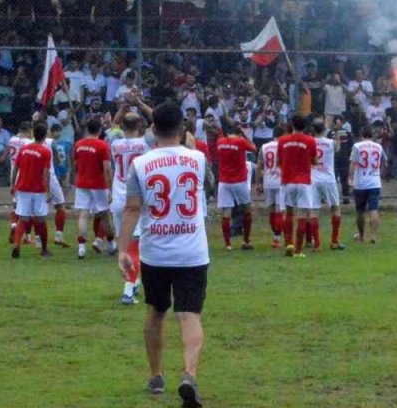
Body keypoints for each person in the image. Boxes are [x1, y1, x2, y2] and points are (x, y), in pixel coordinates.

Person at [116, 103, 208, 407]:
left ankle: (156, 375)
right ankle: (189, 372)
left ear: (152, 129)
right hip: (191, 251)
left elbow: (132, 208)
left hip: (156, 250)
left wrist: (123, 249)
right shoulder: (197, 158)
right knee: (189, 314)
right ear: (182, 128)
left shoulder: (141, 164)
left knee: (156, 311)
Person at [110, 112, 149, 304]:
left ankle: (135, 281)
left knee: (125, 243)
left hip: (118, 197)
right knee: (134, 245)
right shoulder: (145, 144)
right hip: (136, 198)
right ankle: (128, 291)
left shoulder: (115, 144)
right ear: (140, 125)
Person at [275, 115, 317, 258]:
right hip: (304, 181)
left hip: (287, 180)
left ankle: (289, 244)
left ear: (292, 124)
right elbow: (315, 160)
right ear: (305, 126)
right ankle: (298, 250)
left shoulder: (282, 140)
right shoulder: (311, 140)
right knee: (303, 215)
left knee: (288, 212)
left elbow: (278, 160)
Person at [10, 122, 53, 259]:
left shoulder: (24, 149)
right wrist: (48, 191)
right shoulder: (45, 151)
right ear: (45, 136)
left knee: (22, 218)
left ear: (33, 134)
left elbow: (16, 168)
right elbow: (46, 173)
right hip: (38, 189)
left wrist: (12, 184)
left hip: (22, 187)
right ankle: (44, 250)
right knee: (40, 219)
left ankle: (16, 244)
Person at [72, 118, 113, 259]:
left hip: (82, 183)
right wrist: (110, 187)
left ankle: (81, 248)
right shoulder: (102, 145)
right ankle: (111, 244)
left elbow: (74, 164)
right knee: (105, 214)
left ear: (87, 129)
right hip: (99, 184)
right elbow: (107, 168)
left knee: (83, 214)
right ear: (100, 130)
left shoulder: (78, 144)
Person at [214, 122, 256, 251]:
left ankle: (227, 244)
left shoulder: (220, 142)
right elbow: (254, 148)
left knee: (226, 212)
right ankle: (246, 240)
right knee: (247, 209)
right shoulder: (240, 142)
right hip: (240, 180)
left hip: (224, 181)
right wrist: (245, 137)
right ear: (239, 133)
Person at [311, 118, 345, 251]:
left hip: (314, 179)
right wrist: (336, 131)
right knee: (335, 208)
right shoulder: (330, 142)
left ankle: (317, 244)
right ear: (325, 130)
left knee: (314, 211)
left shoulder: (310, 142)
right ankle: (334, 241)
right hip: (329, 179)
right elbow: (338, 147)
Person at [348, 126, 386, 244]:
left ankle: (361, 235)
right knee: (373, 209)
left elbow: (353, 163)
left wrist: (350, 178)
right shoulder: (379, 147)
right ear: (372, 135)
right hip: (374, 182)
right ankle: (373, 236)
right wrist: (379, 173)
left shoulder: (357, 146)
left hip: (361, 182)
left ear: (361, 135)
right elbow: (385, 161)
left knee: (360, 211)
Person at [260, 124, 284, 248]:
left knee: (271, 209)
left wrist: (258, 182)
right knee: (279, 209)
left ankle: (275, 234)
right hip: (280, 180)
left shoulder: (264, 147)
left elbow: (259, 165)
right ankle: (277, 238)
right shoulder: (283, 145)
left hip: (268, 181)